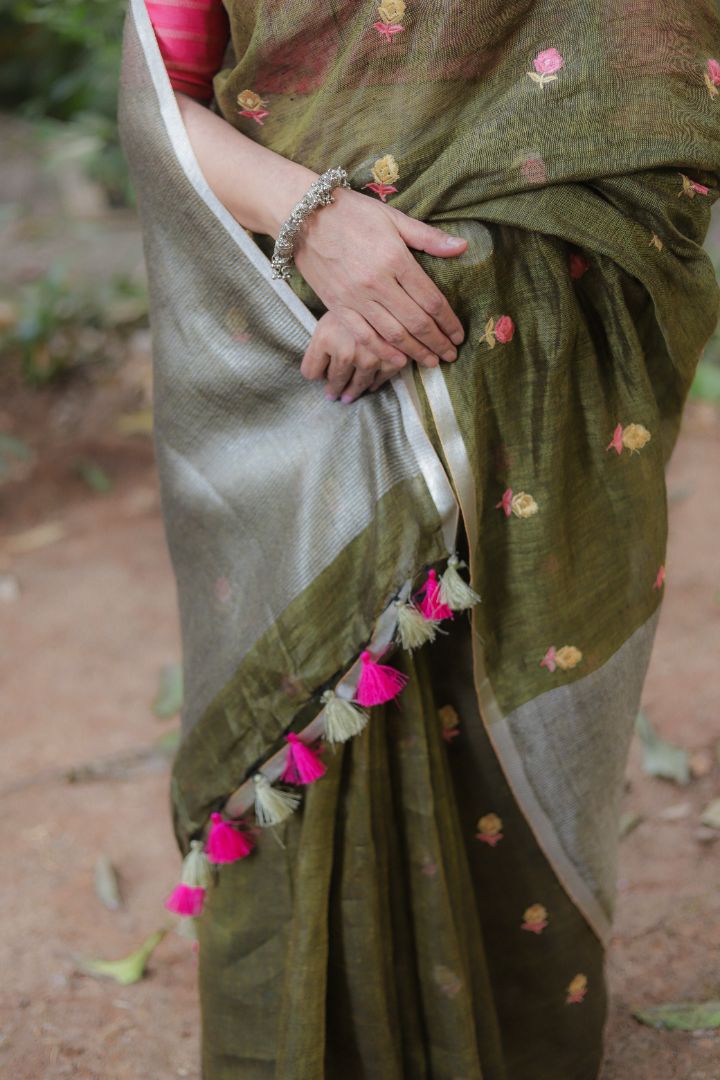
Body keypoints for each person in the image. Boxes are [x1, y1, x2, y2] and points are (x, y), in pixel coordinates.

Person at [118, 2, 720, 1077]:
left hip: (519, 311)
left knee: (504, 717)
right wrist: (319, 225)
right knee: (306, 700)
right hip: (279, 326)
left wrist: (447, 275)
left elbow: (645, 88)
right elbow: (164, 96)